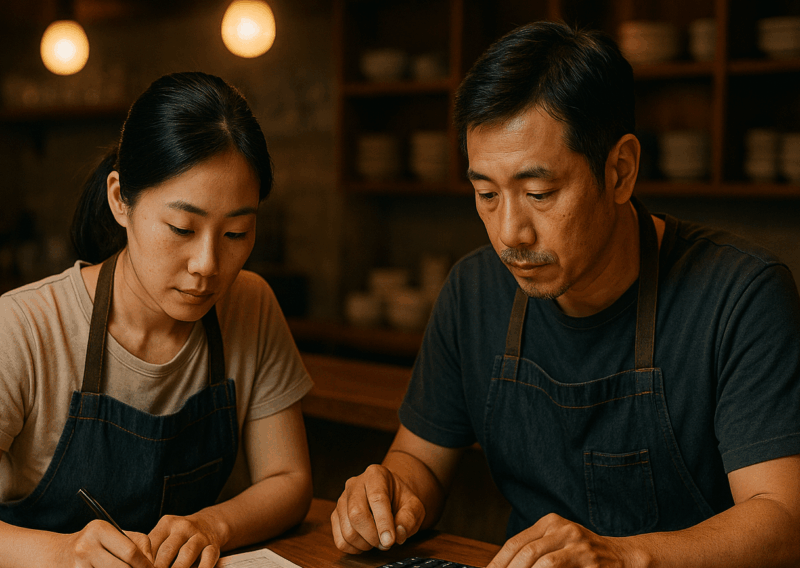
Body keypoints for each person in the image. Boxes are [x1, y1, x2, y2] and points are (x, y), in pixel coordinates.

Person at [331, 21, 800, 567]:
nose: (510, 233)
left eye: (539, 193)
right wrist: (389, 495)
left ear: (620, 171)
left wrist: (620, 559)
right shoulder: (473, 290)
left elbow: (782, 520)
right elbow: (421, 461)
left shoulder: (740, 296)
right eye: (485, 193)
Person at [0, 72, 314, 568]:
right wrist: (62, 553)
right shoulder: (23, 328)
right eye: (181, 228)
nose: (208, 265)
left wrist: (212, 524)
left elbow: (289, 481)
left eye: (235, 233)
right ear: (120, 199)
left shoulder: (250, 304)